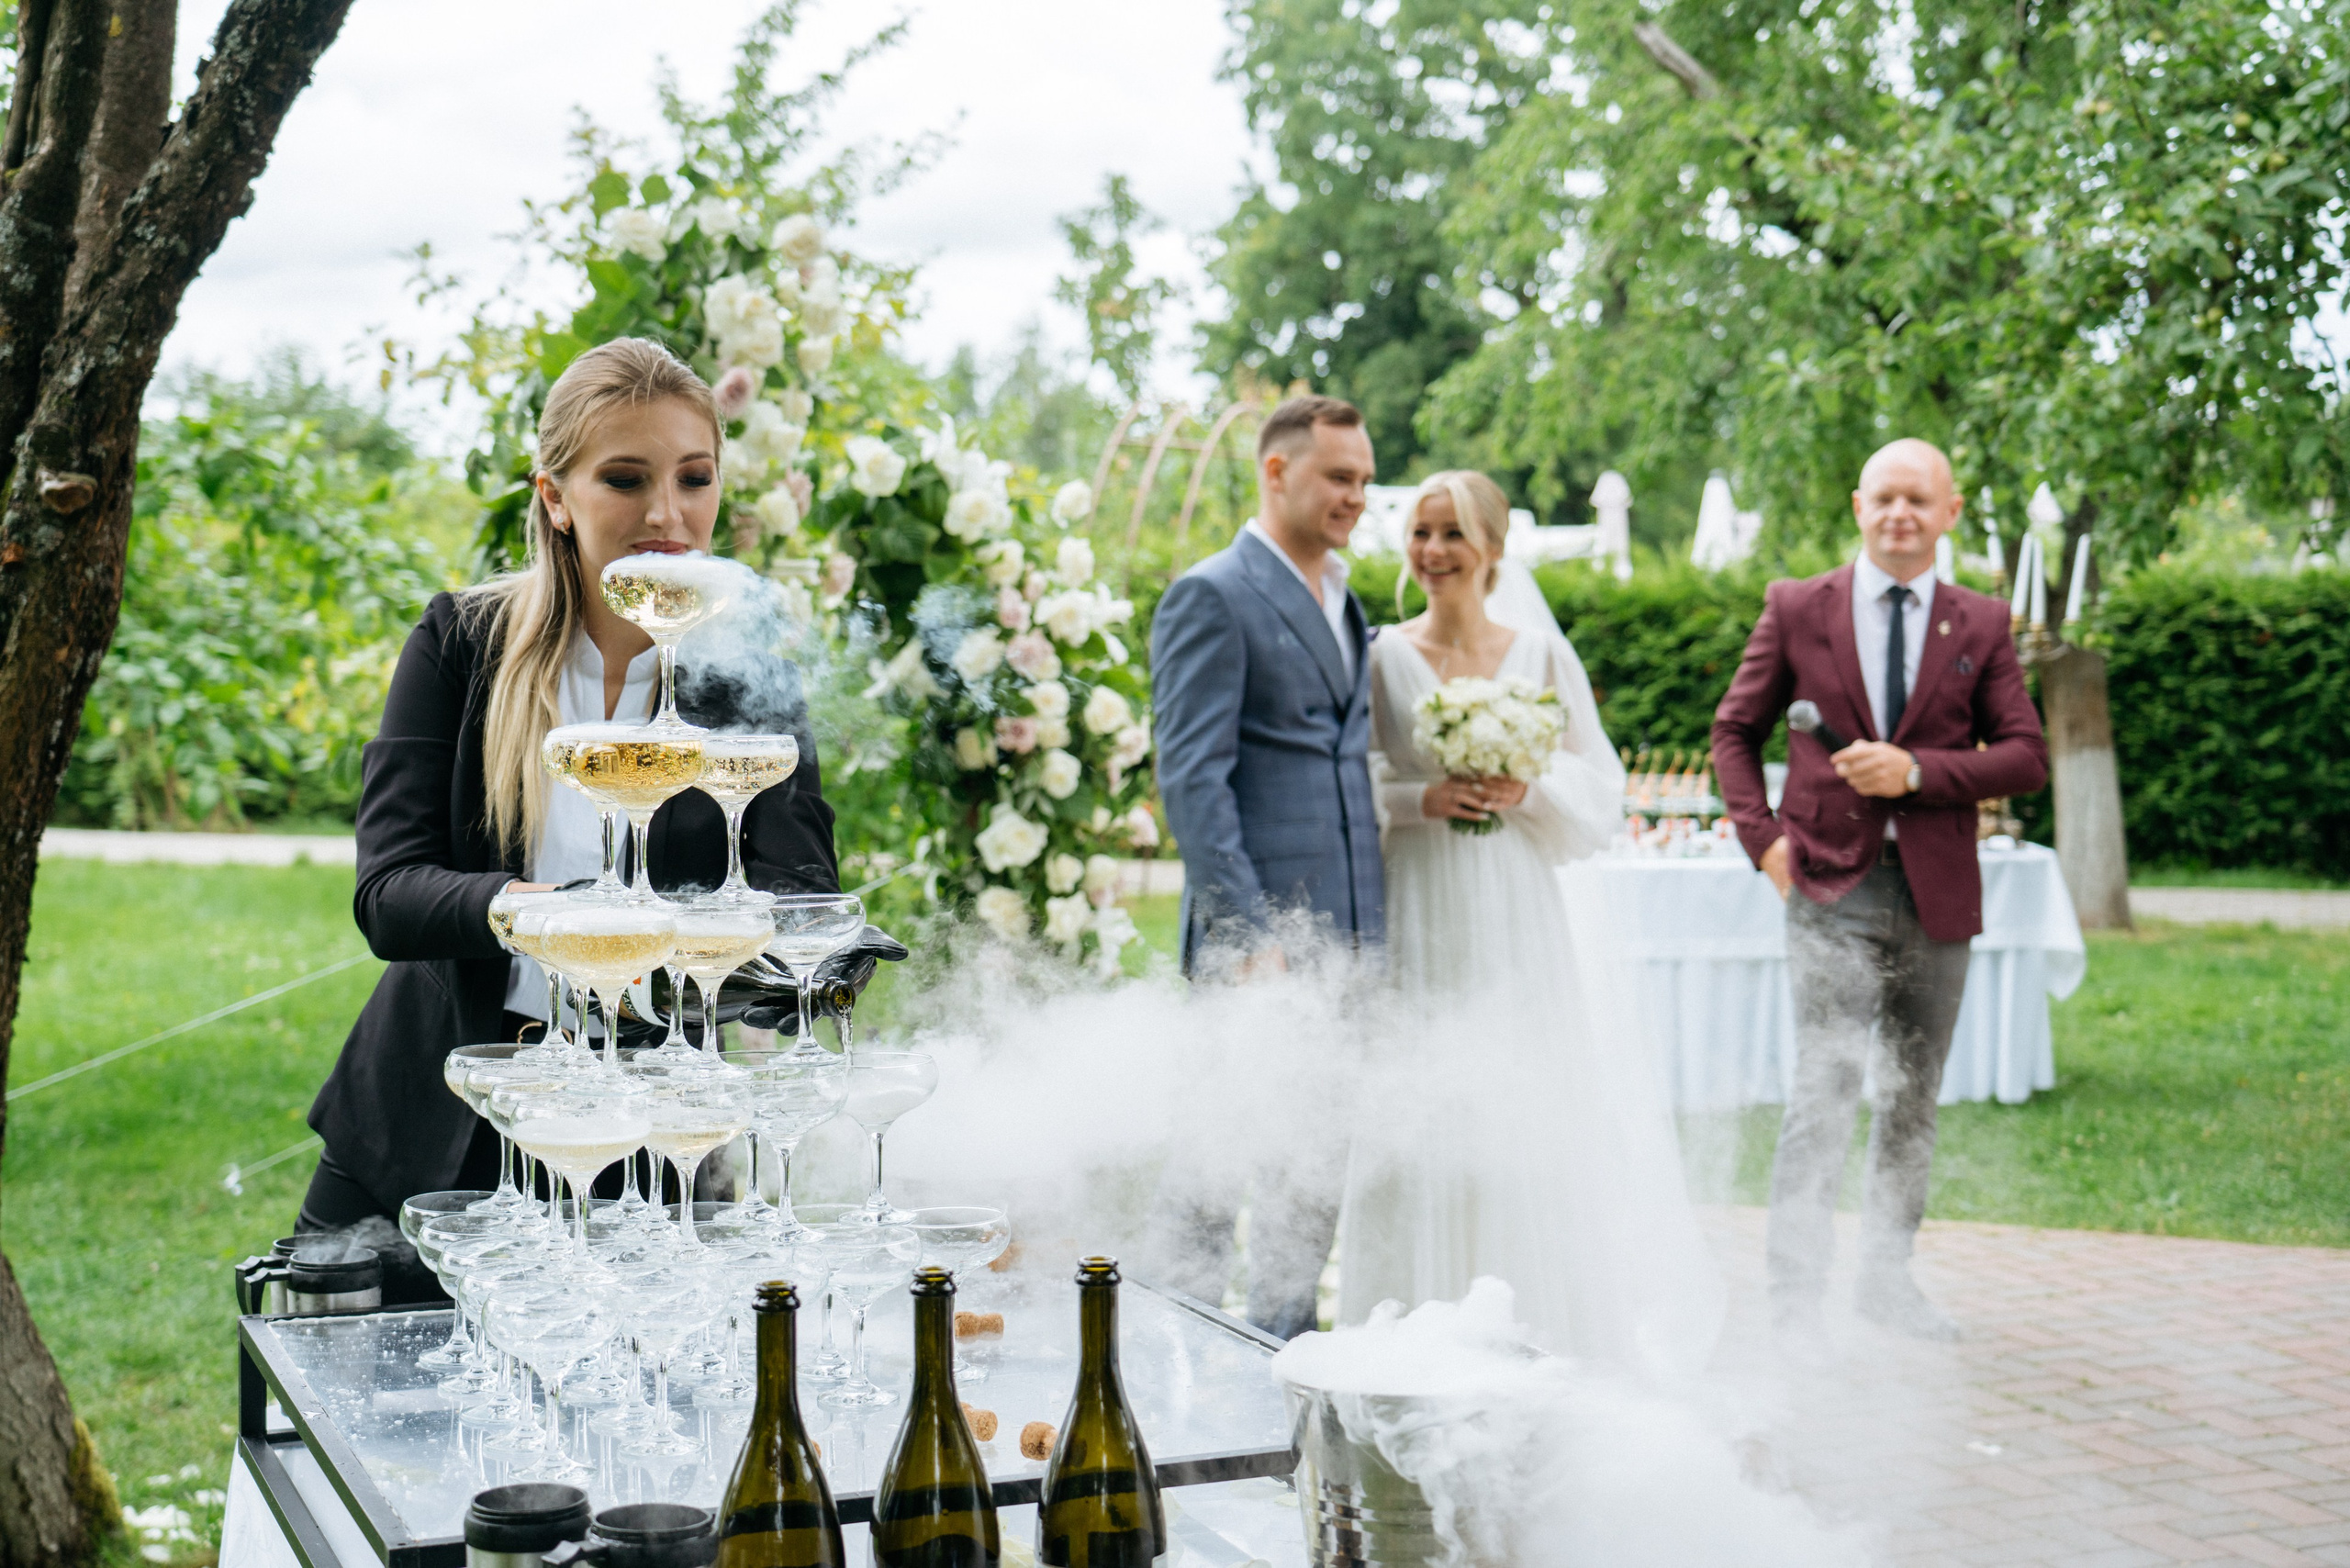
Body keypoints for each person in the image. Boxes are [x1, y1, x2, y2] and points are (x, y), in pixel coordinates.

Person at [298, 338, 839, 1234]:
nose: (668, 513)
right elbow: (389, 896)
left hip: (653, 1136)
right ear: (555, 497)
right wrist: (558, 916)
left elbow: (800, 896)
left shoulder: (747, 679)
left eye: (695, 478)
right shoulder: (462, 645)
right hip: (437, 1118)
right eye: (625, 479)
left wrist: (769, 968)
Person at [1337, 470, 1723, 1373]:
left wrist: (1528, 787)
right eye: (1421, 533)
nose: (1432, 551)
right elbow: (1346, 782)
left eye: (1452, 533)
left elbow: (1602, 794)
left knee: (1521, 1104)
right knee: (1421, 1105)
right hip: (1420, 898)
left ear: (1493, 547)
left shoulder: (1540, 658)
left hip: (1513, 906)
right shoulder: (1380, 653)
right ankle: (1404, 1345)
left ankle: (1533, 1343)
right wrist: (1420, 796)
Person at [1711, 438, 2047, 1351]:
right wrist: (1764, 840)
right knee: (1823, 1093)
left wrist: (1916, 772)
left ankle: (1886, 1284)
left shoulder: (1981, 622)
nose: (1900, 514)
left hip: (1938, 897)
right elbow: (1733, 732)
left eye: (1919, 500)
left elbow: (2025, 755)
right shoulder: (1795, 606)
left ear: (1950, 511)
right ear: (1857, 505)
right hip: (1827, 885)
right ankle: (1793, 1304)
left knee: (1912, 1101)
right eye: (1884, 498)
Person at [1144, 393, 1382, 1338]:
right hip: (1262, 941)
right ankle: (1169, 1354)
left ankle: (1280, 1358)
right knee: (1219, 1155)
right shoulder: (1213, 593)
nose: (1354, 496)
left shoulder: (1347, 596)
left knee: (1315, 1162)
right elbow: (1193, 777)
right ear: (1275, 471)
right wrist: (1248, 933)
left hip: (1351, 930)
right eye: (1337, 477)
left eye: (1363, 480)